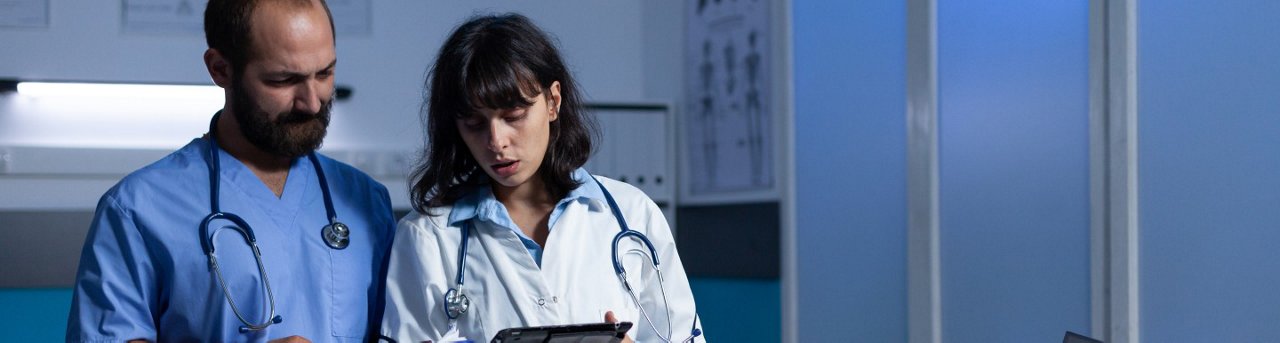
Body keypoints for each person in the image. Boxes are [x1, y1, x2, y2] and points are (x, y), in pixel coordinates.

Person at [66, 0, 395, 341]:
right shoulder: (137, 210)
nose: (312, 102)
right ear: (220, 69)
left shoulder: (367, 202)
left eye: (325, 73)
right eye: (283, 79)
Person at [380, 14, 706, 343]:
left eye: (514, 116)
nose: (496, 141)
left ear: (553, 102)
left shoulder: (633, 215)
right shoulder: (428, 237)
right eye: (475, 123)